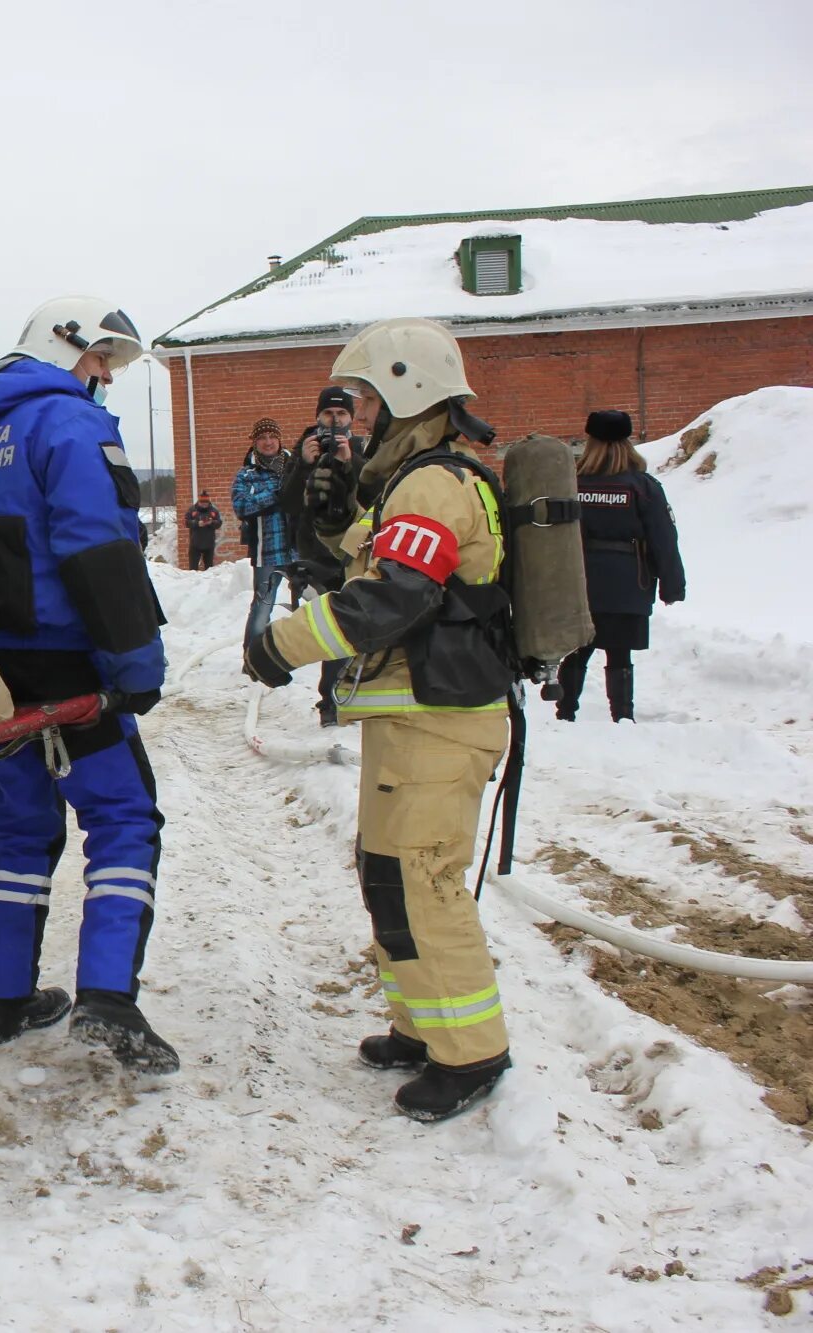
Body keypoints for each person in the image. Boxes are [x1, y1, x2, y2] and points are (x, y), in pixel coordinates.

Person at [0, 296, 176, 1071]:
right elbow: (97, 547)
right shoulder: (69, 424)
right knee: (123, 821)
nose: (104, 378)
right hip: (71, 665)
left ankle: (5, 999)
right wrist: (135, 666)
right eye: (99, 361)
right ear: (64, 348)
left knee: (19, 831)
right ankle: (109, 999)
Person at [244, 316, 513, 1123]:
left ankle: (471, 1052)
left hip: (442, 720)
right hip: (411, 720)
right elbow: (362, 556)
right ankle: (420, 1025)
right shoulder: (414, 481)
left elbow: (394, 595)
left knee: (424, 879)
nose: (361, 417)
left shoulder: (435, 483)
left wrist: (280, 645)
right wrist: (326, 513)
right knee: (387, 873)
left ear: (410, 391)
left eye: (372, 400)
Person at [555, 409, 685, 722]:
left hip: (580, 581)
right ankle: (623, 717)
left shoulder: (572, 484)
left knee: (576, 650)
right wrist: (672, 585)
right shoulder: (643, 487)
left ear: (590, 441)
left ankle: (566, 712)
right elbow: (663, 539)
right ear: (627, 442)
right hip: (629, 583)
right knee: (619, 653)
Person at [282, 387, 366, 726]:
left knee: (357, 623)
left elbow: (375, 494)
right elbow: (286, 504)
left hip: (353, 550)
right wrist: (303, 464)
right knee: (333, 625)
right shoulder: (303, 451)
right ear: (318, 417)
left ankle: (354, 694)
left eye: (341, 414)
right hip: (316, 556)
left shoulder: (361, 450)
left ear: (351, 418)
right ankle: (331, 700)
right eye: (328, 415)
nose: (334, 421)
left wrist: (351, 462)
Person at [231, 419, 296, 646]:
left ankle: (301, 652)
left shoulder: (295, 467)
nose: (268, 442)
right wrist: (276, 494)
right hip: (266, 552)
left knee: (314, 603)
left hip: (299, 551)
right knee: (262, 605)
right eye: (262, 437)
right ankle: (252, 658)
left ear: (279, 439)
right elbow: (241, 507)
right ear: (255, 442)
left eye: (272, 436)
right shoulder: (246, 475)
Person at [182, 491, 222, 570]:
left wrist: (211, 522)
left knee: (209, 569)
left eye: (206, 502)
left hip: (209, 544)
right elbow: (185, 522)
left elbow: (219, 523)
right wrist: (197, 523)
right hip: (195, 544)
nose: (204, 504)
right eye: (202, 502)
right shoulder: (192, 510)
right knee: (193, 569)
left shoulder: (213, 511)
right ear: (199, 501)